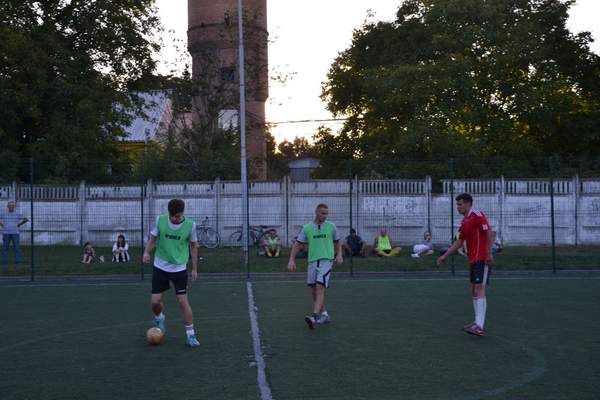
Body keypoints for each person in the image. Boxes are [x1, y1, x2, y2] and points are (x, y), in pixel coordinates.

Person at [142, 198, 200, 348]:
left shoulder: (191, 225)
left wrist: (194, 268)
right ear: (169, 213)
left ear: (183, 212)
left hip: (179, 268)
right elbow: (153, 239)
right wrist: (146, 252)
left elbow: (194, 246)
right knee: (155, 302)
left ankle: (190, 335)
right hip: (160, 266)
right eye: (173, 216)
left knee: (182, 301)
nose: (175, 219)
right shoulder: (160, 220)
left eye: (178, 216)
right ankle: (159, 318)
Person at [437, 193, 494, 337]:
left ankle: (479, 326)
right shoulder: (465, 222)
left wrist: (488, 253)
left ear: (468, 203)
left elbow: (489, 233)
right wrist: (445, 256)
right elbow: (459, 241)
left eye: (460, 204)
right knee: (474, 290)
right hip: (473, 259)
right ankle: (476, 322)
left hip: (482, 257)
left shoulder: (477, 215)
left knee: (479, 289)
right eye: (457, 204)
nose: (458, 207)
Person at [287, 203, 343, 329]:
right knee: (314, 291)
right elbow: (297, 244)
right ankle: (324, 314)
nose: (325, 216)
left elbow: (338, 241)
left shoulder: (331, 226)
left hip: (326, 261)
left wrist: (339, 254)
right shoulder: (307, 227)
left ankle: (314, 317)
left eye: (326, 213)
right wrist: (291, 260)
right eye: (323, 213)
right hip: (312, 261)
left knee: (319, 288)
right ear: (316, 212)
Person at [0, 201, 29, 265]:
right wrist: (2, 225)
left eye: (12, 206)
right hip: (6, 233)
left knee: (17, 248)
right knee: (5, 248)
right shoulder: (3, 213)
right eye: (10, 206)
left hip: (15, 233)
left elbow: (26, 219)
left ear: (14, 207)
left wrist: (19, 224)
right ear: (7, 206)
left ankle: (18, 262)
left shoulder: (17, 213)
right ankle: (4, 262)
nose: (11, 207)